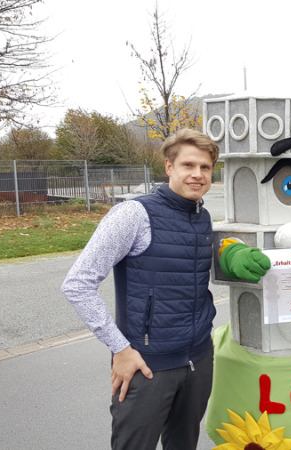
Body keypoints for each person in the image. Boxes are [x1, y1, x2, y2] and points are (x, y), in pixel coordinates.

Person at [61, 128, 220, 450]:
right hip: (147, 365)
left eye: (205, 167)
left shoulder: (202, 217)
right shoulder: (134, 214)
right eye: (188, 165)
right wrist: (120, 349)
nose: (197, 174)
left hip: (198, 360)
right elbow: (78, 284)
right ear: (169, 167)